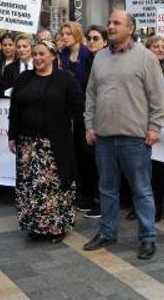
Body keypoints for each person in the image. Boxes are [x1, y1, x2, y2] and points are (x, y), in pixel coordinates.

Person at [83, 10, 164, 260]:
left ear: (130, 29)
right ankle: (107, 232)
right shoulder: (99, 58)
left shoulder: (146, 58)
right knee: (107, 189)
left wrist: (155, 127)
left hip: (135, 139)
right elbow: (91, 95)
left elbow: (158, 98)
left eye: (116, 23)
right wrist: (89, 124)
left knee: (141, 190)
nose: (110, 26)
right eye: (109, 22)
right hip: (104, 137)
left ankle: (147, 238)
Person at [8, 39, 84, 243]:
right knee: (30, 186)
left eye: (42, 54)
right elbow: (14, 108)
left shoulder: (65, 78)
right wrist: (12, 135)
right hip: (27, 145)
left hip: (53, 144)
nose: (38, 58)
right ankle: (35, 226)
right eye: (35, 54)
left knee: (53, 188)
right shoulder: (24, 78)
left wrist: (60, 120)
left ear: (52, 55)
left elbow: (77, 106)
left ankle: (57, 227)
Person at [59, 21, 98, 217]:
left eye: (68, 33)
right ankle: (80, 191)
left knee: (87, 154)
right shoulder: (62, 56)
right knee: (74, 153)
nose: (64, 36)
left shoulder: (87, 55)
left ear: (76, 34)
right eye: (62, 33)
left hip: (86, 111)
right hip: (69, 113)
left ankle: (91, 194)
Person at [143, 36, 164, 222]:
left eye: (163, 47)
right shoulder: (140, 66)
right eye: (155, 46)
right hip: (140, 122)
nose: (159, 49)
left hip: (160, 124)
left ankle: (156, 209)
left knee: (157, 170)